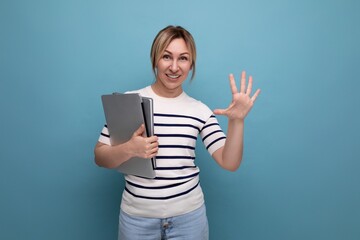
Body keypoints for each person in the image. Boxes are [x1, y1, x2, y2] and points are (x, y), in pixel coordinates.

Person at [94, 25, 261, 240]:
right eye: (166, 57)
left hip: (189, 219)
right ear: (155, 59)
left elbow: (229, 162)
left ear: (191, 64)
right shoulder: (129, 101)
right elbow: (99, 157)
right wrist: (129, 149)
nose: (174, 67)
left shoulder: (200, 110)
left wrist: (237, 122)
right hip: (137, 219)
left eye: (183, 58)